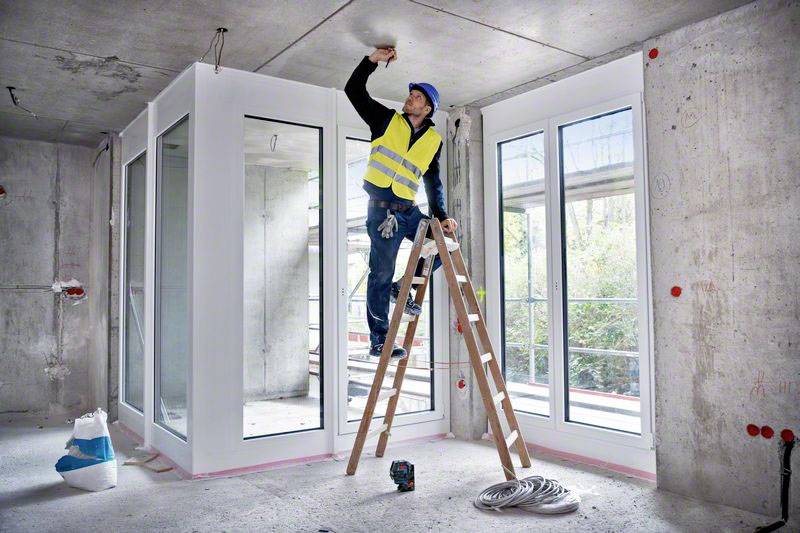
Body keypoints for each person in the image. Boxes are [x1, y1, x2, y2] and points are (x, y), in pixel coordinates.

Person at [345, 47, 459, 360]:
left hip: (409, 212)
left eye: (418, 97)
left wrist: (443, 216)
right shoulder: (385, 120)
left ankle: (401, 288)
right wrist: (371, 62)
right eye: (410, 94)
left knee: (444, 247)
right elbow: (353, 90)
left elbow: (431, 181)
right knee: (379, 274)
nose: (410, 98)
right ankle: (379, 341)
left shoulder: (433, 141)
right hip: (381, 213)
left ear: (429, 109)